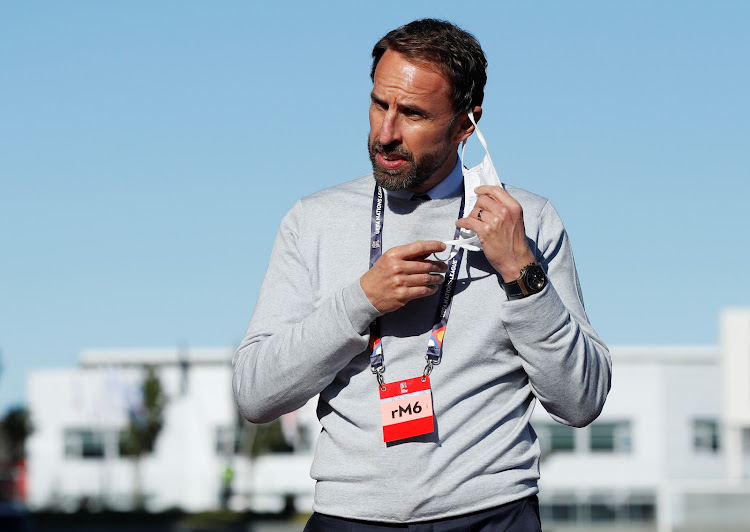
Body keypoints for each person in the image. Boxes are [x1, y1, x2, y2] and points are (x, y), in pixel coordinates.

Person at [233, 18, 611, 531]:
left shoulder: (528, 219)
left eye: (411, 113)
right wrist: (359, 301)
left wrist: (522, 273)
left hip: (493, 515)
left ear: (466, 125)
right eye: (378, 104)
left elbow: (581, 400)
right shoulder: (314, 220)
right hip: (349, 517)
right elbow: (255, 394)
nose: (385, 133)